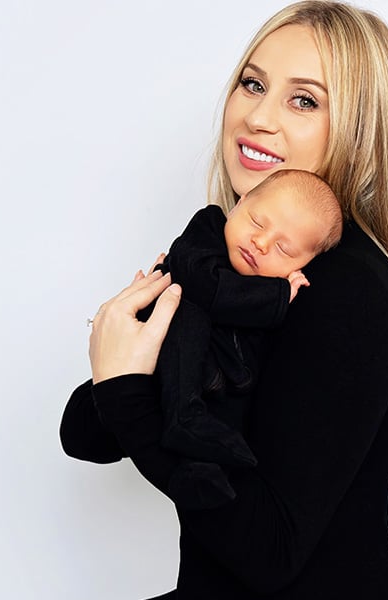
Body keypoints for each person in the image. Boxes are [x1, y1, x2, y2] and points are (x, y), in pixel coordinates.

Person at [60, 2, 388, 598]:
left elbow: (270, 554)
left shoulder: (343, 291)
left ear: (359, 129)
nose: (258, 117)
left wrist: (127, 393)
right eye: (253, 83)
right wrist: (121, 370)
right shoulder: (238, 268)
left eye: (304, 100)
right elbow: (90, 435)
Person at [138, 169, 342, 510]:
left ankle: (199, 470)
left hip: (215, 388)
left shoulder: (282, 313)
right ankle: (179, 419)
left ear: (305, 268)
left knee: (232, 429)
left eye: (284, 249)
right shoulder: (207, 231)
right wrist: (274, 296)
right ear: (240, 203)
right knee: (187, 306)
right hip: (163, 359)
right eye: (257, 222)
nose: (260, 243)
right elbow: (204, 286)